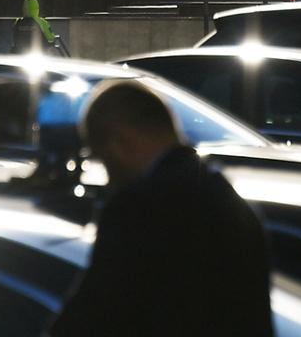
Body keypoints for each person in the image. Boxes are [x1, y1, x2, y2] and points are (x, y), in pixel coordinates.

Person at [48, 79, 272, 336]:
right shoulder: (230, 200)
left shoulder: (137, 209)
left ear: (119, 143)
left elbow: (90, 317)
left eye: (104, 160)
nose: (109, 179)